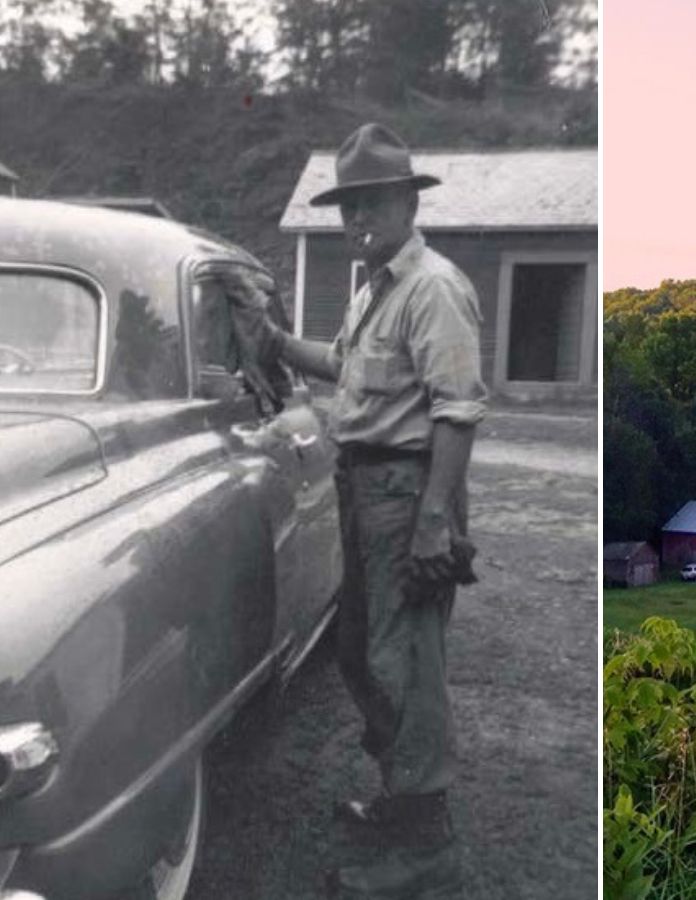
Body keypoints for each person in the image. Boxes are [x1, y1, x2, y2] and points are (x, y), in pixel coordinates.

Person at [224, 122, 487, 899]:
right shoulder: (377, 288)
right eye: (348, 207)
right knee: (358, 652)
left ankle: (427, 846)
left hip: (411, 492)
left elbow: (458, 410)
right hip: (367, 486)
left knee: (403, 662)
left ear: (408, 202)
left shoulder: (433, 286)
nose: (358, 220)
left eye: (372, 203)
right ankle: (403, 805)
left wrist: (436, 517)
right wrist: (270, 340)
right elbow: (341, 367)